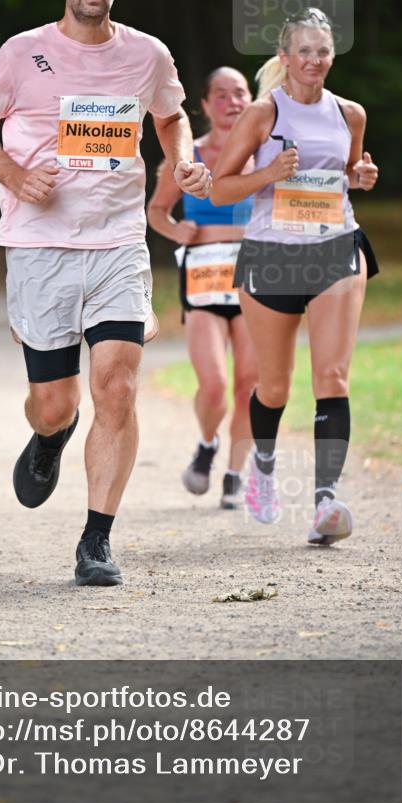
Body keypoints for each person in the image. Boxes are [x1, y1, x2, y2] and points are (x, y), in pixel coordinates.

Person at [0, 0, 210, 586]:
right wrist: (14, 175)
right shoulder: (21, 52)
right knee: (56, 400)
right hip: (40, 246)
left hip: (118, 242)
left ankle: (95, 540)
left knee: (118, 387)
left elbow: (170, 115)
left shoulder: (146, 54)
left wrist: (179, 161)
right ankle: (49, 437)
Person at [211, 8, 379, 545]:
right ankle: (263, 464)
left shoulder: (350, 113)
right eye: (303, 51)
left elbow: (349, 172)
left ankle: (325, 501)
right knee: (275, 385)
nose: (314, 60)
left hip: (335, 247)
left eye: (322, 51)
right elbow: (220, 189)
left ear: (333, 56)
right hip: (272, 256)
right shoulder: (262, 114)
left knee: (332, 377)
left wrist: (361, 175)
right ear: (284, 58)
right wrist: (267, 172)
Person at [147, 67, 257, 508]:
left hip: (255, 285)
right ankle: (208, 444)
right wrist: (177, 231)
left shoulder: (267, 157)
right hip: (204, 284)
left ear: (251, 101)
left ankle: (234, 473)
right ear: (206, 106)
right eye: (221, 94)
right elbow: (156, 212)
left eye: (240, 93)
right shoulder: (187, 158)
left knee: (249, 385)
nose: (232, 101)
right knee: (213, 385)